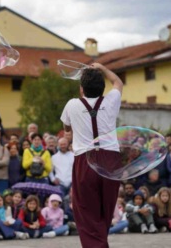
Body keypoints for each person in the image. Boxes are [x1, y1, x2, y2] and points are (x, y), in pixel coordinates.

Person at [60, 63, 123, 247]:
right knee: (106, 211)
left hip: (85, 161)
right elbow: (117, 82)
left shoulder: (72, 104)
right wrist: (102, 68)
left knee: (86, 213)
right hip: (111, 160)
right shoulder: (111, 100)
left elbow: (66, 128)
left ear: (81, 89)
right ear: (103, 88)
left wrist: (69, 134)